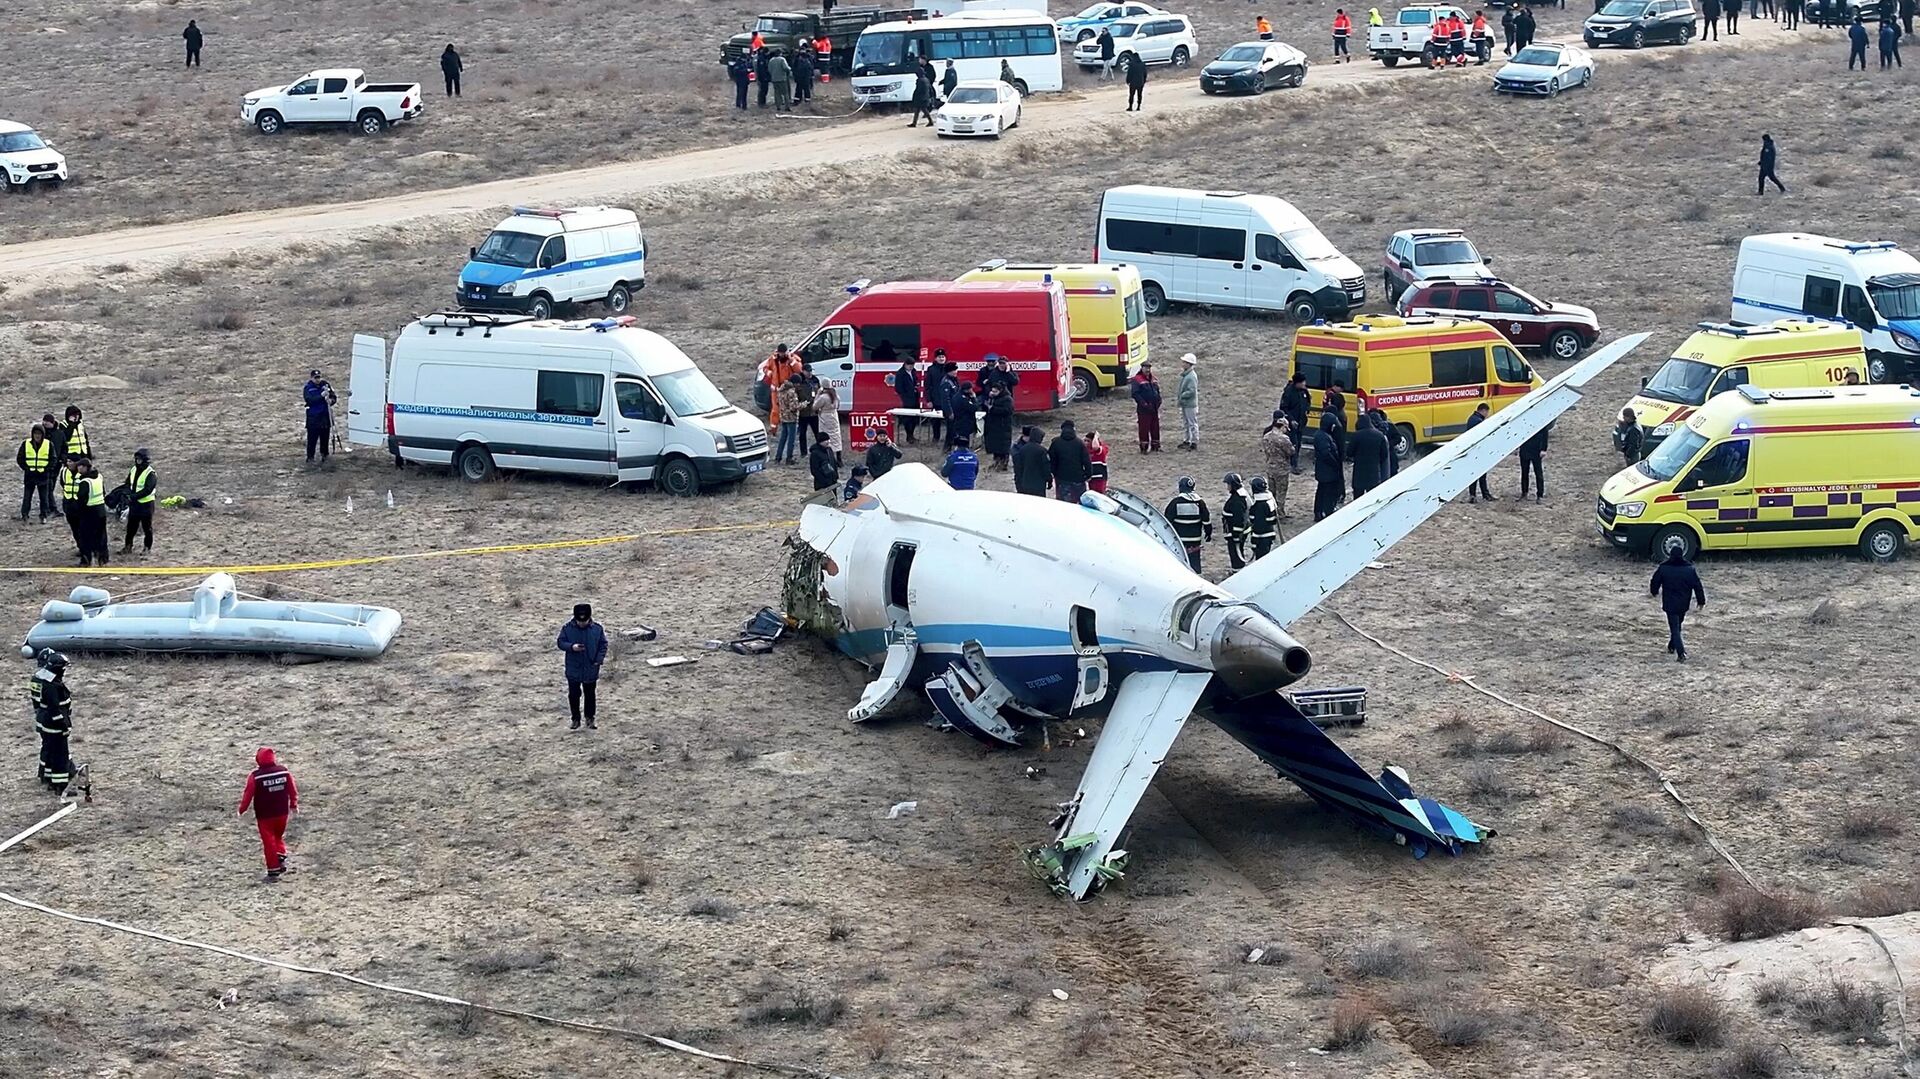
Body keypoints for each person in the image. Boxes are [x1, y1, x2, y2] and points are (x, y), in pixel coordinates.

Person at [237, 746, 298, 881]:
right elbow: (292, 789)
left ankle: (273, 869)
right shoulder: (284, 772)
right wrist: (293, 804)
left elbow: (248, 794)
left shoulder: (255, 776)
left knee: (268, 841)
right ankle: (280, 855)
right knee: (278, 835)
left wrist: (242, 809)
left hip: (265, 815)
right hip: (282, 812)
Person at [556, 603, 608, 730]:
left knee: (590, 695)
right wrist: (571, 647)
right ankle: (575, 719)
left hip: (591, 668)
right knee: (574, 695)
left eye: (584, 621)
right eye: (579, 621)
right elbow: (560, 642)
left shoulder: (597, 629)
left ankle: (590, 719)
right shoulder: (567, 628)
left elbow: (603, 645)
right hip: (573, 669)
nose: (582, 623)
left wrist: (598, 660)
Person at [1650, 549, 1706, 661]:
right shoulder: (1689, 570)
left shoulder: (1664, 568)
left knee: (1675, 628)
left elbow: (1655, 581)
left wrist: (1654, 592)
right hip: (1683, 603)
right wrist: (1701, 601)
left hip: (1670, 603)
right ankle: (1672, 646)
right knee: (1677, 626)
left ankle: (1680, 652)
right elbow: (1697, 586)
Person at [31, 650, 73, 795]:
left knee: (48, 749)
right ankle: (60, 786)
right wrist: (64, 726)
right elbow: (55, 709)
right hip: (54, 725)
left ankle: (46, 777)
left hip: (43, 721)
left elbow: (37, 703)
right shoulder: (52, 685)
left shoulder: (38, 678)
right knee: (60, 755)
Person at [1165, 477, 1212, 573]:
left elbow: (1166, 521)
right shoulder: (1200, 503)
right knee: (1195, 563)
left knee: (1180, 563)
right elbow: (1206, 520)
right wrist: (1208, 533)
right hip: (1195, 540)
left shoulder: (1175, 503)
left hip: (1179, 540)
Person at [1260, 412, 1295, 518]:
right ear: (1283, 427)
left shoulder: (1266, 436)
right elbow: (1291, 452)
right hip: (1282, 469)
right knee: (1281, 492)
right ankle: (1280, 512)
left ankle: (1272, 511)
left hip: (1270, 467)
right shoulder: (1283, 439)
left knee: (1272, 491)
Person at [18, 423, 55, 523]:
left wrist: (46, 469)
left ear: (43, 434)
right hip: (30, 475)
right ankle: (25, 515)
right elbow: (20, 458)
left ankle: (43, 515)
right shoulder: (26, 444)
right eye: (35, 433)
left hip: (43, 475)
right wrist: (26, 468)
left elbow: (53, 459)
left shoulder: (48, 444)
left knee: (44, 498)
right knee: (27, 497)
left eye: (39, 433)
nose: (37, 436)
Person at [123, 448, 157, 553]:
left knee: (147, 528)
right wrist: (128, 493)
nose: (137, 461)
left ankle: (147, 547)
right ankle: (128, 546)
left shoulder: (150, 473)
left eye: (139, 459)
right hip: (135, 504)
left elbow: (148, 490)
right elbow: (128, 483)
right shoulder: (133, 469)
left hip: (146, 505)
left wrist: (133, 496)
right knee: (131, 527)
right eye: (136, 459)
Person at [77, 458, 110, 566]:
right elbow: (103, 492)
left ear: (86, 467)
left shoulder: (85, 482)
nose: (78, 468)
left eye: (80, 466)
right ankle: (103, 559)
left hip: (89, 512)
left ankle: (86, 560)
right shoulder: (99, 477)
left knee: (85, 537)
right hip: (101, 510)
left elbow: (81, 499)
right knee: (102, 536)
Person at [1312, 413, 1345, 522]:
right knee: (1326, 492)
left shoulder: (1322, 435)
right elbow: (1326, 454)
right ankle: (1326, 511)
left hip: (1324, 470)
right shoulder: (1322, 437)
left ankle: (1320, 512)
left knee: (1322, 491)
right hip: (1327, 471)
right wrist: (1335, 464)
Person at [1050, 420, 1092, 502]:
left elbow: (1052, 461)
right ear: (1073, 429)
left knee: (1064, 504)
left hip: (1062, 479)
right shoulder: (1079, 443)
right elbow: (1086, 461)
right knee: (1079, 504)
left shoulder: (1056, 443)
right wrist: (1088, 474)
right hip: (1078, 479)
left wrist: (1054, 473)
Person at [1349, 416, 1390, 499]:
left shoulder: (1356, 436)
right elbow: (1384, 455)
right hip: (1374, 472)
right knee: (1372, 499)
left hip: (1359, 472)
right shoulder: (1379, 435)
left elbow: (1349, 452)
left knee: (1357, 498)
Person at [1464, 403, 1497, 502]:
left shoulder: (1471, 418)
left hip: (1473, 450)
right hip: (1479, 451)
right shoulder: (1479, 421)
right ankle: (1484, 495)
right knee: (1481, 474)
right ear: (1483, 410)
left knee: (1474, 474)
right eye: (1487, 412)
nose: (1487, 414)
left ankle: (1473, 495)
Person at [1130, 361, 1162, 452]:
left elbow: (1157, 390)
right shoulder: (1137, 379)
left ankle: (1156, 446)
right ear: (1142, 368)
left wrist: (1159, 400)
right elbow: (1135, 394)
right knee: (1144, 428)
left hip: (1154, 408)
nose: (1147, 370)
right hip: (1144, 409)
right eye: (1146, 368)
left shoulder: (1153, 379)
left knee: (1155, 427)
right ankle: (1144, 447)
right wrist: (1144, 404)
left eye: (1149, 368)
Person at [1222, 473, 1251, 570]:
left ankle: (1237, 571)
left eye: (1228, 484)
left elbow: (1239, 520)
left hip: (1236, 532)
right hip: (1238, 531)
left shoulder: (1237, 500)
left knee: (1236, 553)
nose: (1227, 487)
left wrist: (1236, 535)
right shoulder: (1240, 494)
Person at [303, 370, 333, 465]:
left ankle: (325, 455)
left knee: (325, 438)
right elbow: (309, 400)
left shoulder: (325, 385)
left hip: (324, 416)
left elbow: (333, 396)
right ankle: (310, 458)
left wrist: (331, 400)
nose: (317, 380)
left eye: (319, 377)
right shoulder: (308, 388)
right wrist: (321, 396)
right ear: (311, 378)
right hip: (313, 417)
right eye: (315, 378)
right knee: (312, 439)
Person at [983, 382, 1015, 469]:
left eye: (995, 391)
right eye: (992, 391)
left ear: (1000, 391)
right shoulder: (993, 398)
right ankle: (996, 461)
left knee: (1003, 446)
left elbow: (1007, 411)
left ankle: (1003, 463)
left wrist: (992, 408)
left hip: (1003, 425)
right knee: (995, 445)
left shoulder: (1007, 399)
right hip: (993, 425)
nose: (993, 393)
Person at [1013, 427, 1052, 496]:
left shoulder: (1022, 450)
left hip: (1025, 484)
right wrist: (1049, 480)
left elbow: (1019, 468)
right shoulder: (1042, 451)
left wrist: (1019, 482)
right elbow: (1046, 468)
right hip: (1038, 485)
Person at [891, 354, 921, 443]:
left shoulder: (913, 371)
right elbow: (898, 388)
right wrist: (906, 393)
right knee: (908, 418)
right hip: (907, 398)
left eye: (912, 365)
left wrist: (916, 386)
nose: (911, 367)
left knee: (915, 417)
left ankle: (912, 434)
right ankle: (909, 435)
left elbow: (916, 380)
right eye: (909, 365)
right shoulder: (901, 374)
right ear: (905, 364)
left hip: (915, 397)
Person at [1248, 477, 1281, 558]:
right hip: (1269, 535)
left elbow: (1257, 525)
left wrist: (1254, 541)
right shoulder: (1269, 500)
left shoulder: (1258, 506)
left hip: (1261, 538)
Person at [775, 374, 804, 465]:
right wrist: (803, 404)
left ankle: (778, 457)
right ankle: (789, 458)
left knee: (783, 438)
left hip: (783, 416)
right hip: (791, 418)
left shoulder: (781, 390)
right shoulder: (791, 392)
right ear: (795, 383)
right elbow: (793, 407)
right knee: (791, 439)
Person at [1517, 422, 1550, 501]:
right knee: (1524, 473)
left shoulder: (1540, 421)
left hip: (1536, 450)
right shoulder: (1524, 421)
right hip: (1525, 449)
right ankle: (1524, 493)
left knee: (1538, 473)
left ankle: (1540, 495)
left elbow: (1545, 435)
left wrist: (1543, 449)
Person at [812, 381, 842, 466]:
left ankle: (828, 457)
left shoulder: (823, 397)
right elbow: (838, 405)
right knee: (836, 436)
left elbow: (815, 406)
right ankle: (839, 459)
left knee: (825, 436)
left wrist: (817, 395)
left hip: (825, 417)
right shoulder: (835, 395)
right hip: (834, 416)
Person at [1176, 353, 1200, 450]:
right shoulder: (1188, 375)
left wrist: (1182, 396)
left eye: (1184, 362)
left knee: (1191, 423)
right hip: (1186, 403)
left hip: (1190, 404)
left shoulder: (1191, 376)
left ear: (1189, 364)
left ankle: (1194, 441)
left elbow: (1192, 391)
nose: (1182, 364)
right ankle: (1187, 440)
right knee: (1187, 423)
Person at [949, 382, 979, 452]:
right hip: (964, 423)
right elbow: (974, 408)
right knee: (964, 441)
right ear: (967, 390)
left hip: (958, 422)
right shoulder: (963, 399)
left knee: (959, 440)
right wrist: (974, 398)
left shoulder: (956, 396)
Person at [909, 58, 934, 126]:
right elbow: (930, 89)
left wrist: (914, 97)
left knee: (923, 111)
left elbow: (918, 90)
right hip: (925, 97)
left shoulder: (920, 80)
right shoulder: (926, 79)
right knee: (918, 110)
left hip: (921, 98)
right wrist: (931, 96)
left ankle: (930, 121)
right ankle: (914, 123)